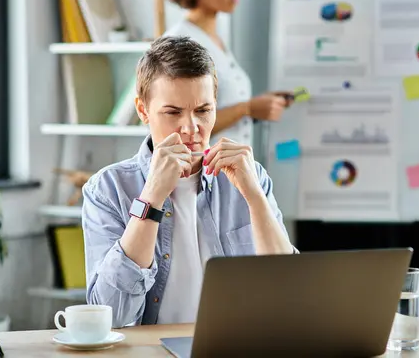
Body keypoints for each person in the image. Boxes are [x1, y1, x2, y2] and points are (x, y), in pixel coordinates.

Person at [81, 36, 297, 328]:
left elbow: (288, 290)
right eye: (173, 112)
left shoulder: (251, 176)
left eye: (203, 111)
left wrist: (254, 198)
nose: (191, 128)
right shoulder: (107, 189)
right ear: (143, 110)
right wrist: (151, 196)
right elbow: (110, 315)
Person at [154, 0, 293, 147]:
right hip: (202, 172)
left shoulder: (215, 40)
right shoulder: (178, 42)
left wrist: (255, 107)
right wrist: (246, 108)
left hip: (231, 170)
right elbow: (173, 127)